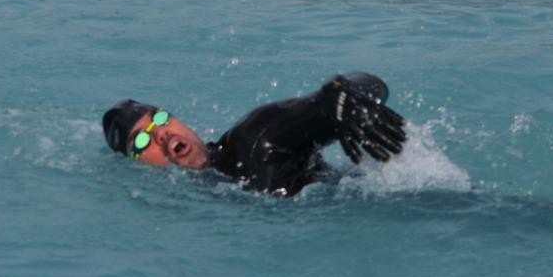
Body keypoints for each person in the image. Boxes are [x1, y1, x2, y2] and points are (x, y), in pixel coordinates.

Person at [102, 72, 406, 197]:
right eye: (141, 140)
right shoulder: (204, 195)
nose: (161, 135)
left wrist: (346, 98)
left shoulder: (254, 140)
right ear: (136, 164)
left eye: (160, 119)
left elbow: (361, 86)